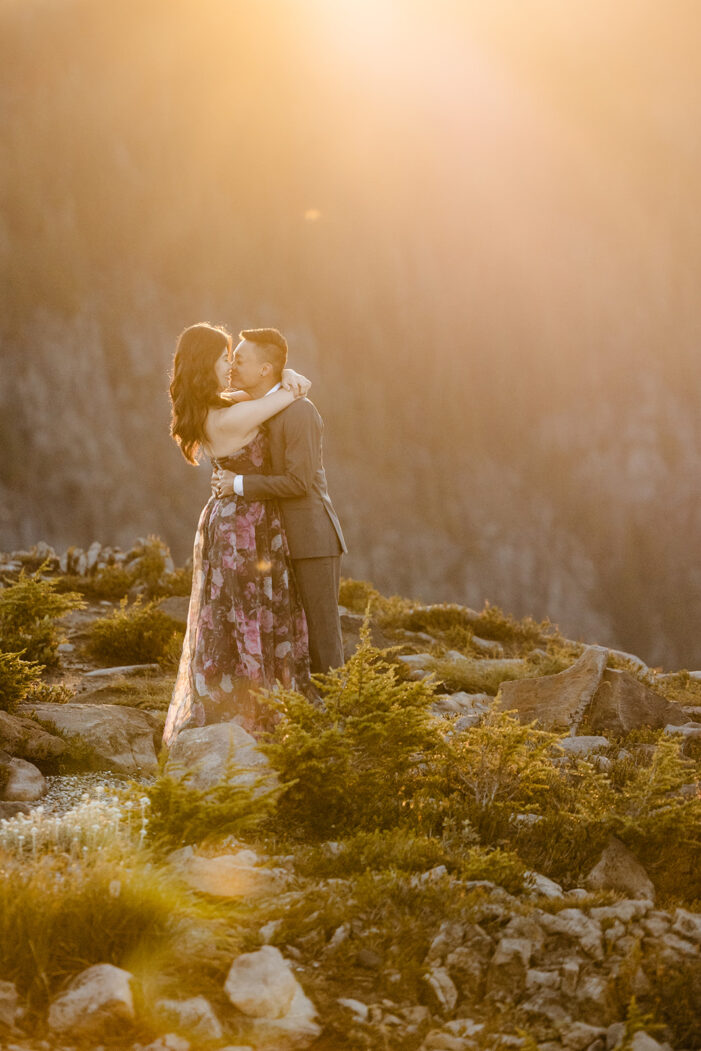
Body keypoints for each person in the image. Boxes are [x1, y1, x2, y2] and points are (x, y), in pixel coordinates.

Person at [162, 322, 311, 747]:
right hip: (241, 528)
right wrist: (283, 376)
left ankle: (246, 704)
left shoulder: (220, 407)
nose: (230, 364)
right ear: (205, 363)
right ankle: (253, 716)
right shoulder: (229, 417)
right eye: (225, 356)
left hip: (242, 521)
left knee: (240, 610)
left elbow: (265, 391)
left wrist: (275, 375)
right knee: (248, 610)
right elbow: (290, 391)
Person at [212, 327, 347, 675]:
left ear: (264, 369)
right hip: (276, 540)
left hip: (311, 540)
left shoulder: (300, 412)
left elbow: (299, 483)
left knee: (321, 634)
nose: (232, 366)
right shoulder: (259, 405)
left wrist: (237, 483)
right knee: (294, 635)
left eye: (240, 360)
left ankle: (339, 714)